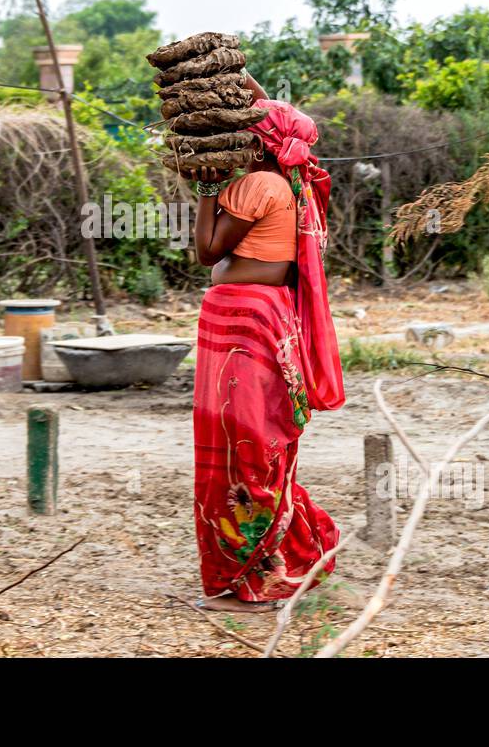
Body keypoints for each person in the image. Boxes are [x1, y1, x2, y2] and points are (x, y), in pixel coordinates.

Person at [184, 75, 346, 612]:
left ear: (258, 144)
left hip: (241, 324)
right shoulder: (297, 187)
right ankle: (284, 561)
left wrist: (207, 187)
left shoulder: (260, 186)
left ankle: (255, 581)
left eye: (248, 135)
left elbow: (208, 251)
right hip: (266, 320)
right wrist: (239, 78)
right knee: (261, 444)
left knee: (237, 451)